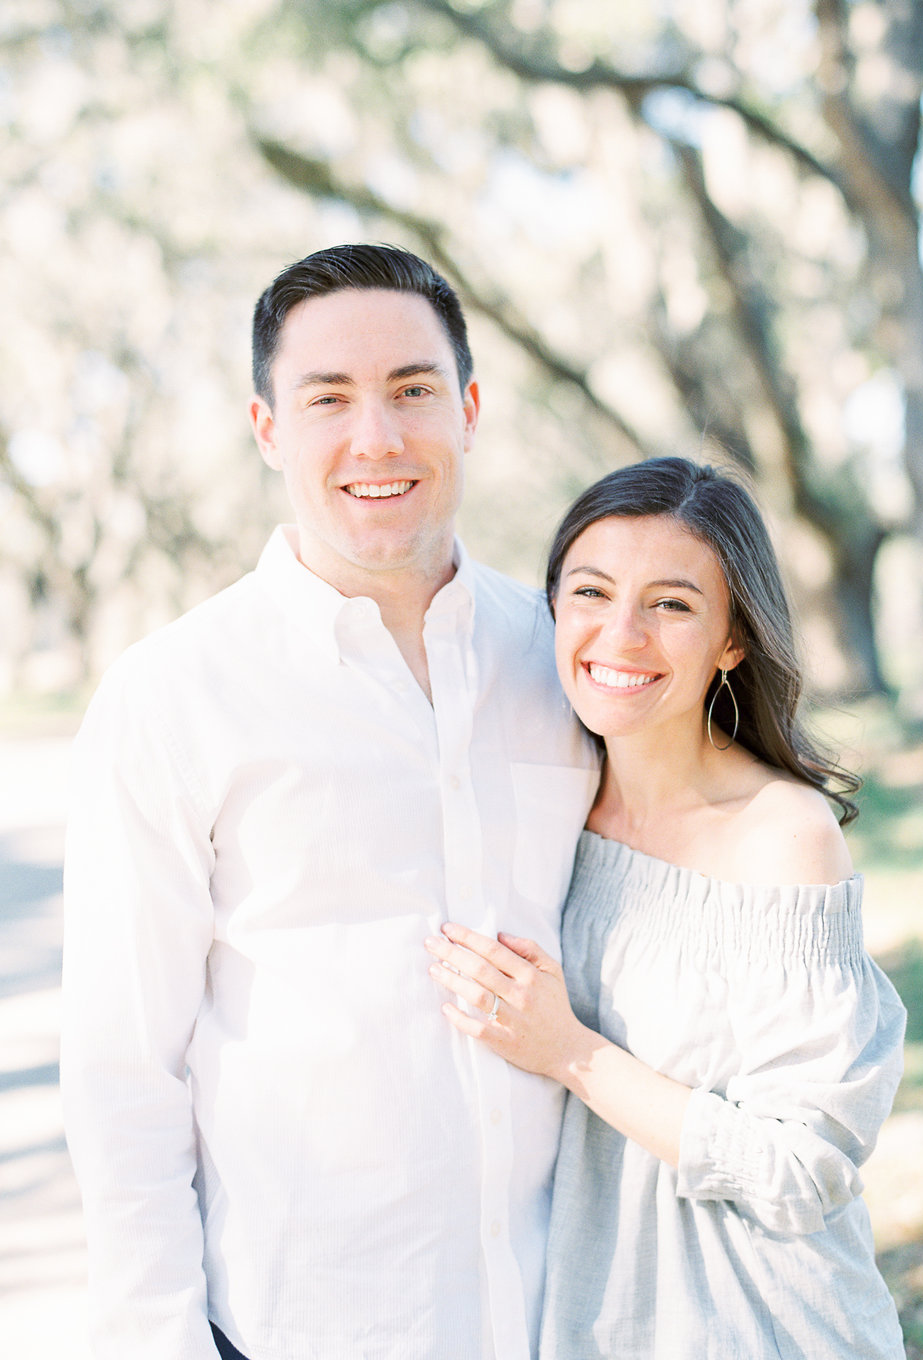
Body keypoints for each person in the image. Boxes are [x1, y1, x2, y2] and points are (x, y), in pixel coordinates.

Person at [61, 244, 598, 1360]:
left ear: (469, 411)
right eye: (328, 400)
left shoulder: (569, 660)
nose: (377, 439)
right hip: (307, 1323)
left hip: (571, 1310)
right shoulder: (174, 695)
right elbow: (123, 1073)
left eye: (412, 390)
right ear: (267, 430)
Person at [426, 456, 907, 1359]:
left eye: (673, 604)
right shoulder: (553, 805)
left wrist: (570, 1052)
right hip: (591, 1320)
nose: (621, 634)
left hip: (763, 1325)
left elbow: (809, 1167)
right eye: (592, 592)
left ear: (733, 640)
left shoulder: (782, 836)